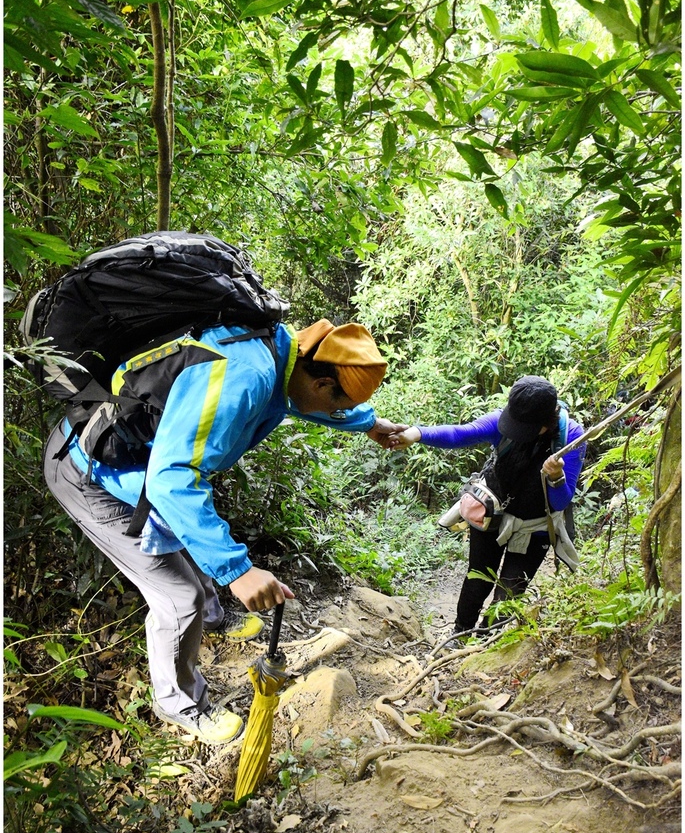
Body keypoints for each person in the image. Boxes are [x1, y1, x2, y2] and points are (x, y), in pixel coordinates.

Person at [44, 317, 407, 743]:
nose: (335, 414)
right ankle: (179, 703)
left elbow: (296, 401)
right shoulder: (248, 375)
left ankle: (213, 621)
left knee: (195, 534)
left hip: (138, 468)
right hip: (90, 472)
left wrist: (367, 423)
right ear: (324, 383)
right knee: (179, 597)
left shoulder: (283, 353)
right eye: (338, 405)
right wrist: (238, 571)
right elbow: (170, 481)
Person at [388, 376, 585, 640]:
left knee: (510, 590)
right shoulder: (508, 419)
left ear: (545, 424)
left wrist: (555, 477)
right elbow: (460, 434)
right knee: (478, 578)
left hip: (534, 528)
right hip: (492, 513)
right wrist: (416, 433)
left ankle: (483, 643)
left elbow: (561, 501)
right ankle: (459, 635)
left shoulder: (571, 438)